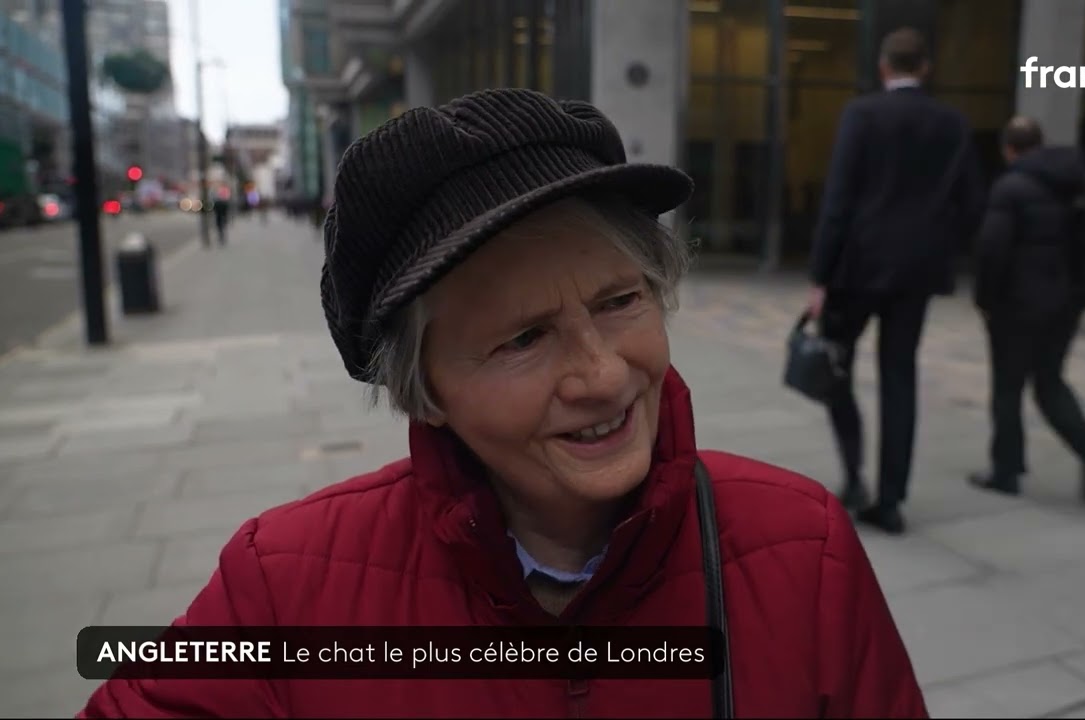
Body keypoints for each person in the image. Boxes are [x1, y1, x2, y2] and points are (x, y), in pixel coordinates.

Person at [78, 89, 927, 718]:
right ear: (428, 391)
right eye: (523, 339)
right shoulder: (284, 584)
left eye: (618, 302)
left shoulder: (803, 548)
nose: (600, 375)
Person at [807, 27, 986, 535]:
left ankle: (854, 473)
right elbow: (974, 203)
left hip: (857, 266)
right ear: (924, 68)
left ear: (885, 68)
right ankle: (890, 500)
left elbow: (837, 201)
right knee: (899, 376)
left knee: (835, 364)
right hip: (917, 270)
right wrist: (939, 242)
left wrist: (820, 274)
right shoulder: (951, 124)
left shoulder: (862, 115)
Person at [968, 116, 1085, 501]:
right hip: (1065, 302)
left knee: (1007, 389)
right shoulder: (1077, 182)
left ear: (1008, 149)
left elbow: (992, 251)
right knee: (1049, 381)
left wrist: (985, 300)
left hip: (1017, 305)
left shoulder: (1010, 188)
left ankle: (1006, 470)